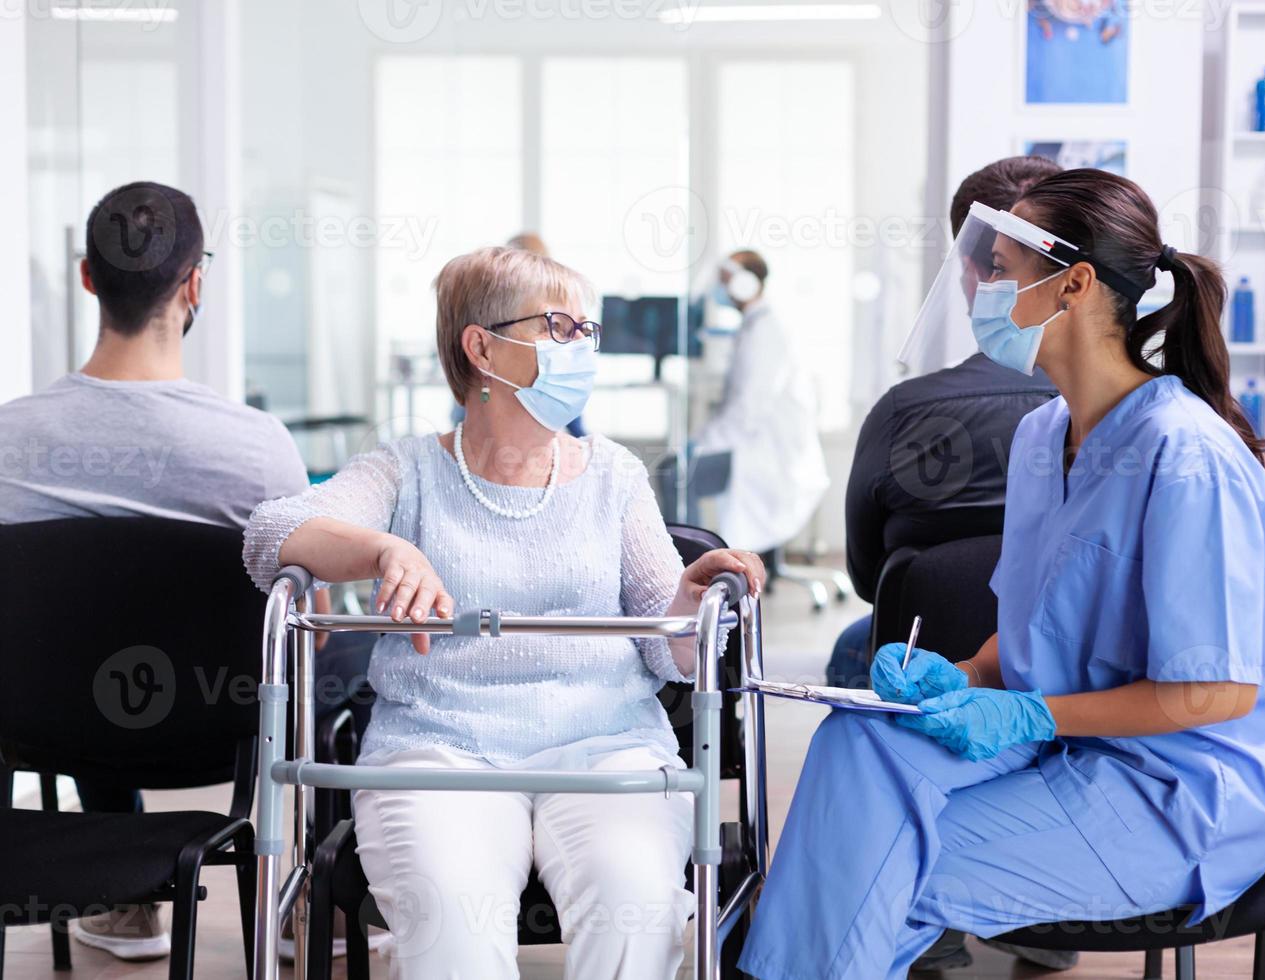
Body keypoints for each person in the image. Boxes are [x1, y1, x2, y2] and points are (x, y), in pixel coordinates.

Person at [738, 169, 1265, 979]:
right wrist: (965, 673)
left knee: (878, 865)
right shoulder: (1043, 436)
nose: (983, 289)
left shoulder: (1188, 458)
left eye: (999, 269)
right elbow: (1038, 623)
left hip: (1173, 793)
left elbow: (1214, 695)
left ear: (1074, 283)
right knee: (857, 740)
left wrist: (1023, 716)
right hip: (1057, 747)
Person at [243, 246, 764, 979]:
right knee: (452, 920)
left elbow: (667, 648)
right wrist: (385, 550)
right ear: (481, 347)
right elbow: (269, 534)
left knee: (635, 904)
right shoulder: (405, 471)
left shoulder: (614, 475)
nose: (581, 346)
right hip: (438, 750)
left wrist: (688, 596)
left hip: (605, 747)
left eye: (587, 329)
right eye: (558, 326)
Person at [0, 181, 320, 962]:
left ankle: (130, 905)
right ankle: (299, 894)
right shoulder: (256, 447)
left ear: (87, 277)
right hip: (217, 736)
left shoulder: (8, 442)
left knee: (84, 622)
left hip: (49, 738)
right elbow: (301, 640)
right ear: (194, 284)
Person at [830, 156, 1061, 691]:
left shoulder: (902, 413)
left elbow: (869, 580)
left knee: (853, 645)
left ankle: (876, 761)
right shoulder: (1115, 415)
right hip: (1073, 679)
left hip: (930, 678)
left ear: (972, 268)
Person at [695, 250, 829, 554]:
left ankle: (686, 561)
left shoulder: (766, 332)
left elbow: (748, 411)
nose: (721, 288)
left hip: (769, 453)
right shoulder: (755, 326)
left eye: (726, 280)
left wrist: (702, 442)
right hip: (757, 444)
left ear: (744, 284)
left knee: (679, 476)